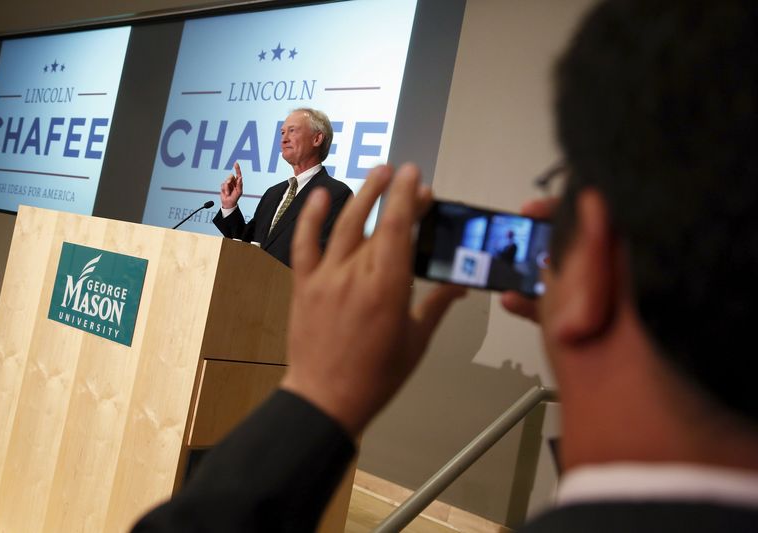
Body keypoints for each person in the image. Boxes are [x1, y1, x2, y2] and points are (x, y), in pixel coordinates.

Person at [135, 0, 758, 531]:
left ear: (591, 266)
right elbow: (247, 248)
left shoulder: (339, 197)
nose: (282, 141)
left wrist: (317, 402)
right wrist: (230, 213)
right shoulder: (271, 191)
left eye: (562, 186)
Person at [212, 108, 353, 267]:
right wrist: (229, 206)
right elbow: (247, 244)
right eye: (282, 132)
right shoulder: (273, 193)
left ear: (317, 139)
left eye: (292, 131)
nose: (283, 139)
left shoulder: (336, 194)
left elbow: (326, 257)